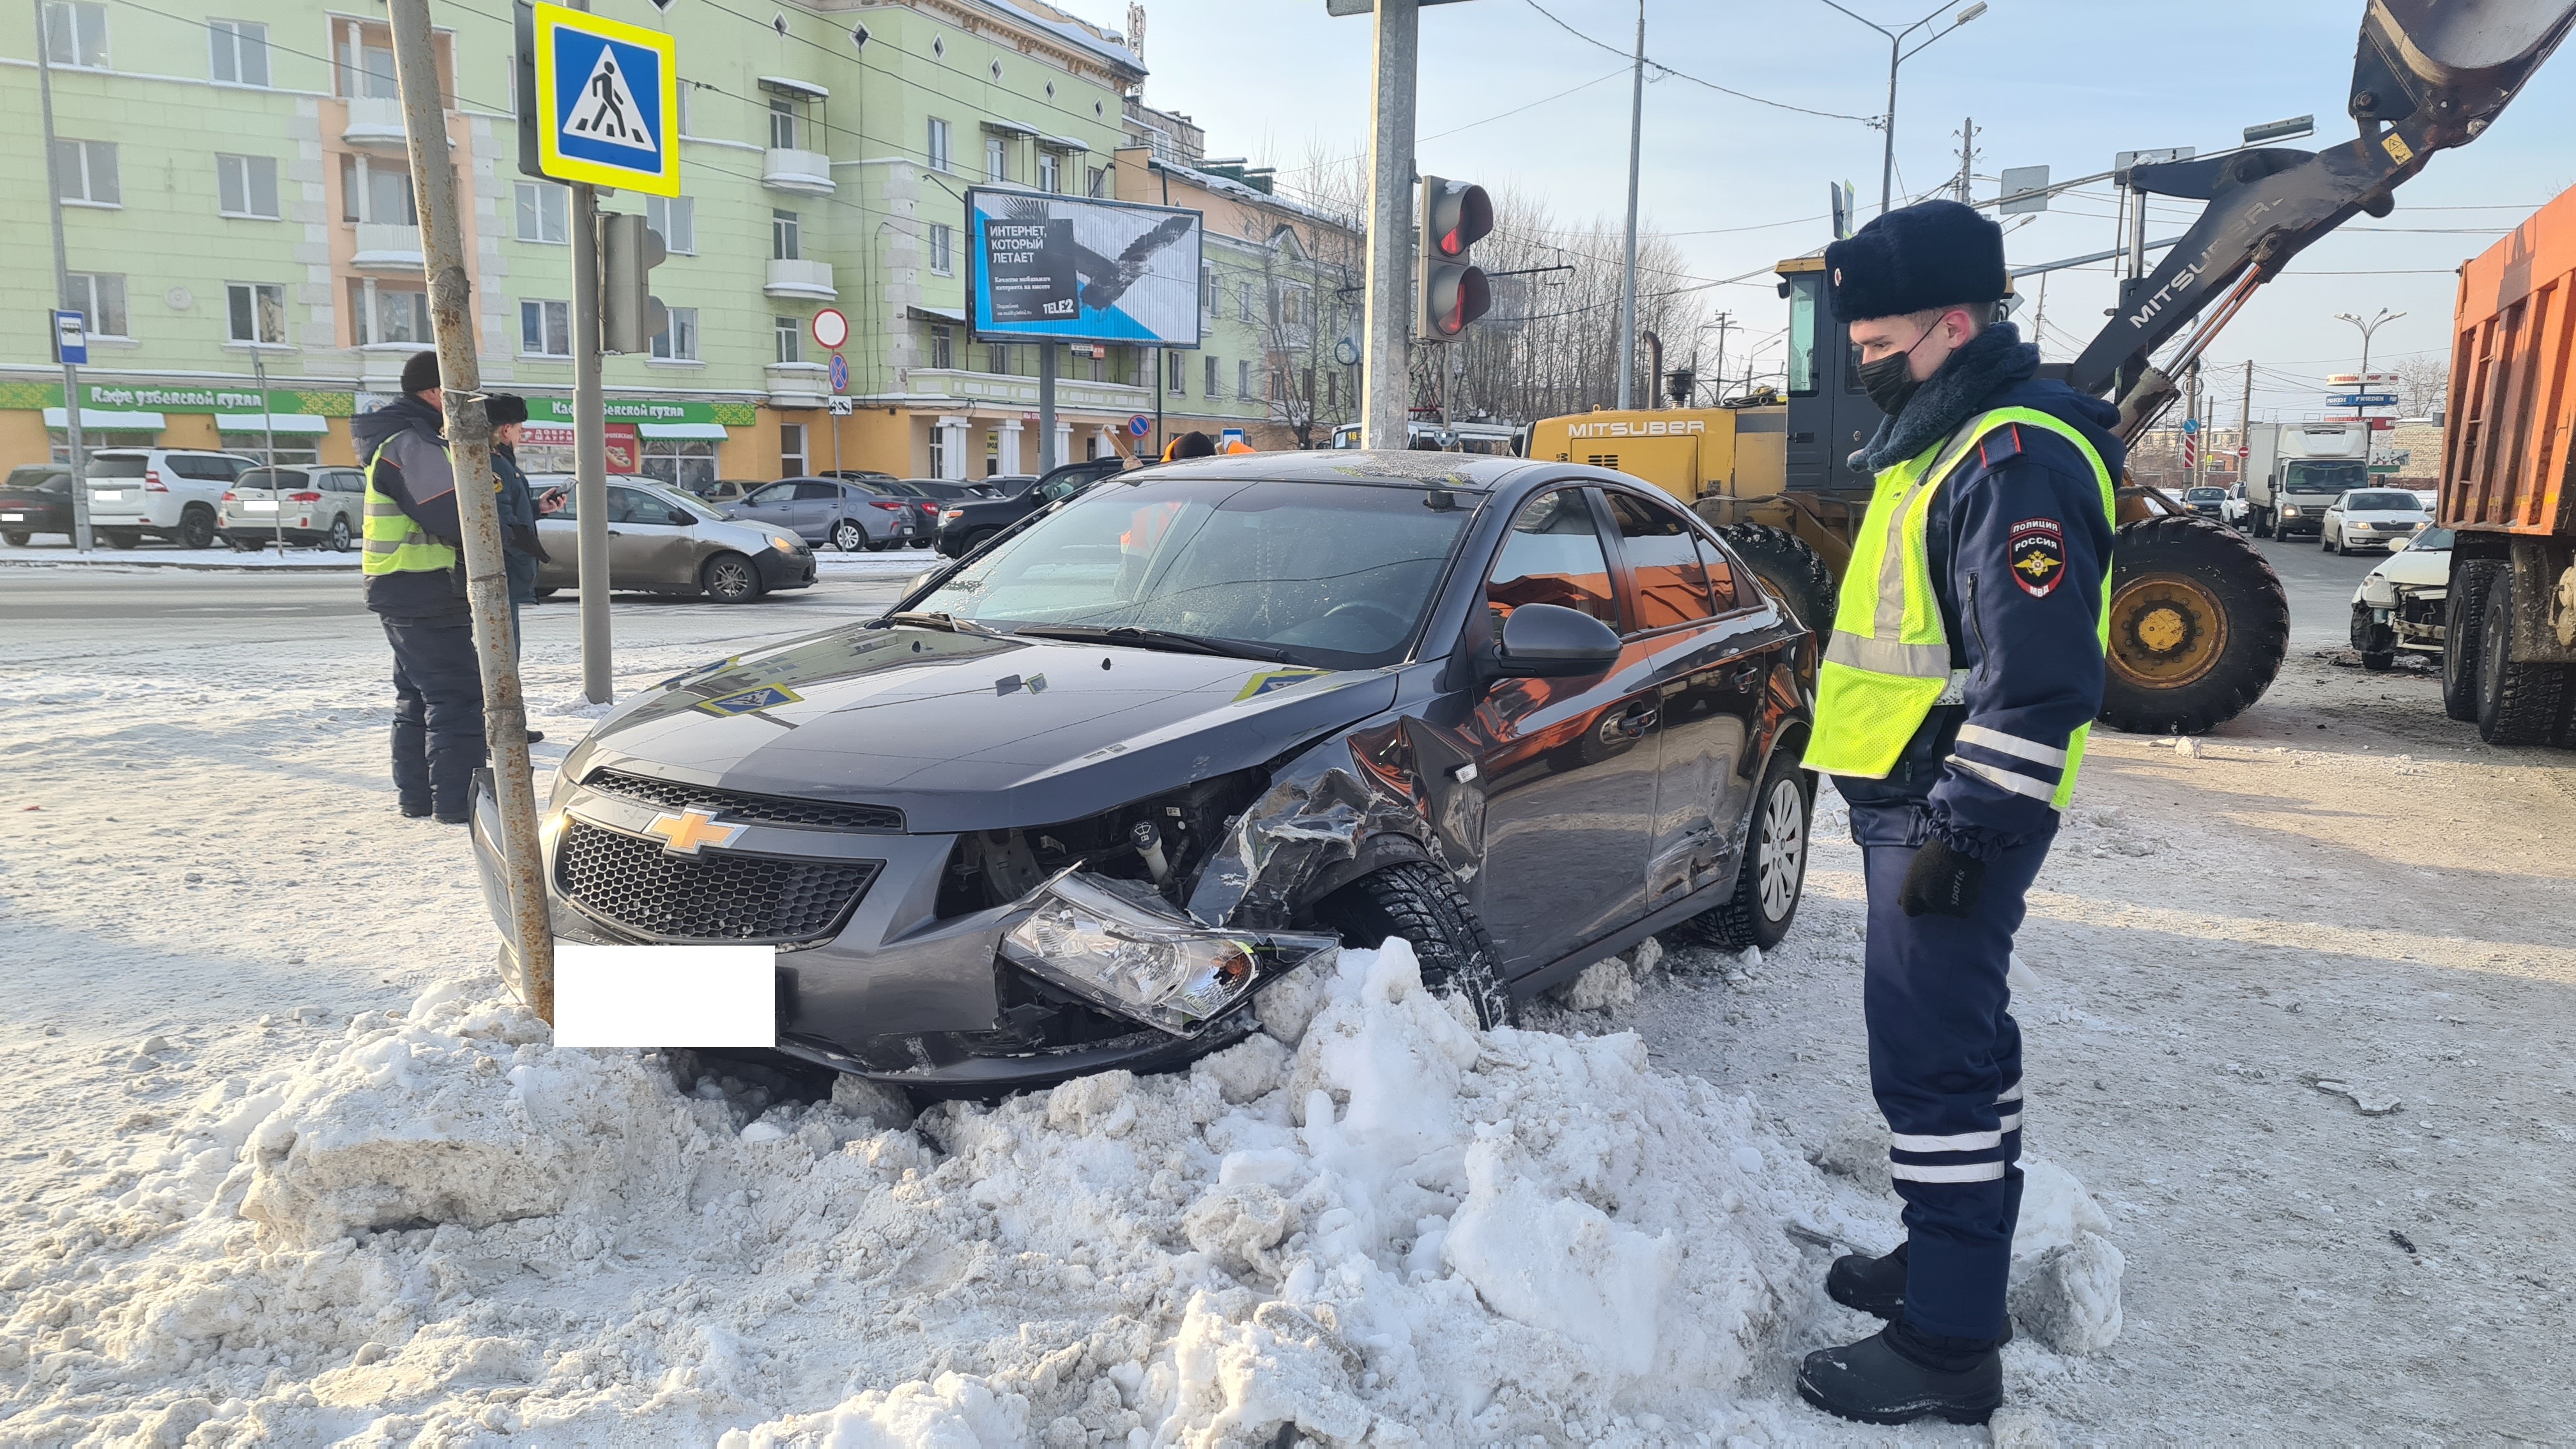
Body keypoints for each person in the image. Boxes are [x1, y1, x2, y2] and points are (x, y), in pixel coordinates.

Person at [1791, 200, 2121, 1427]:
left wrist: (1963, 834)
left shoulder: (2010, 459)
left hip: (1953, 812)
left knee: (1931, 1065)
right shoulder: (1948, 440)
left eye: (1879, 343)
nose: (1864, 363)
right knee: (1964, 1053)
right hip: (1921, 802)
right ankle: (1945, 1259)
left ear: (1956, 322)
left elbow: (2037, 682)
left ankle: (1946, 1343)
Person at [354, 350, 484, 824]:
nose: (468, 408)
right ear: (435, 393)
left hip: (405, 585)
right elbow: (453, 514)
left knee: (418, 697)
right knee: (459, 697)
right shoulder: (411, 442)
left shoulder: (403, 437)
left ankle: (419, 798)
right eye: (462, 397)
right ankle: (457, 805)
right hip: (424, 585)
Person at [482, 393, 560, 664]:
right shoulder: (495, 465)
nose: (522, 435)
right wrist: (527, 546)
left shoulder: (500, 463)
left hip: (504, 574)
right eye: (519, 429)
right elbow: (498, 522)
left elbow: (505, 508)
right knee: (502, 657)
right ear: (506, 430)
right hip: (501, 575)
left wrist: (537, 508)